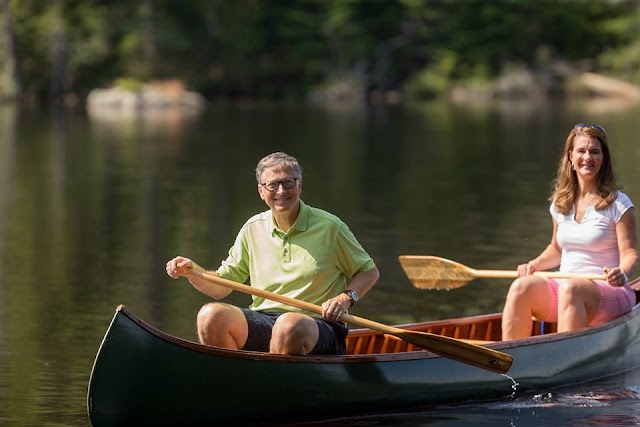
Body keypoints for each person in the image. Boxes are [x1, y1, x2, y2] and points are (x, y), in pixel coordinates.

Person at [166, 151, 379, 355]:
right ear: (261, 191)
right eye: (272, 185)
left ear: (299, 185)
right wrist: (193, 272)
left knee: (288, 325)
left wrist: (345, 298)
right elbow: (222, 285)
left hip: (319, 325)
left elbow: (369, 272)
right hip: (265, 318)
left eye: (288, 182)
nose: (281, 191)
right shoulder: (253, 228)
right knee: (210, 315)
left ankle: (269, 387)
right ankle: (231, 382)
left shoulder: (331, 227)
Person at [502, 123, 639, 340]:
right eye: (581, 151)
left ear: (603, 159)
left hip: (610, 291)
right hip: (567, 286)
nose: (587, 157)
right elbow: (556, 249)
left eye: (594, 151)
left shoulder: (619, 204)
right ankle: (509, 363)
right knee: (521, 286)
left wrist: (622, 273)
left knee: (571, 290)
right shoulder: (560, 202)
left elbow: (631, 254)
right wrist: (535, 265)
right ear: (571, 157)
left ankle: (563, 364)